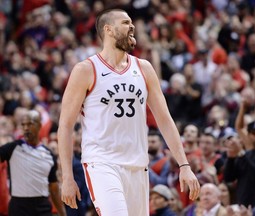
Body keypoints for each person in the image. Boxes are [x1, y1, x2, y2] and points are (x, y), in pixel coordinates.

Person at [57, 8, 200, 216]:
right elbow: (66, 125)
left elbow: (165, 120)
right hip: (102, 162)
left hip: (138, 164)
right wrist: (67, 177)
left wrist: (184, 165)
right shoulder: (86, 70)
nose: (132, 27)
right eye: (125, 23)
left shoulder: (144, 68)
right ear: (109, 30)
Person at [0, 110, 66, 216]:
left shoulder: (49, 154)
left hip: (42, 207)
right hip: (18, 207)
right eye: (23, 125)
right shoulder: (12, 148)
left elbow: (53, 188)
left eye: (30, 124)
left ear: (39, 125)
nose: (26, 128)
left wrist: (63, 213)